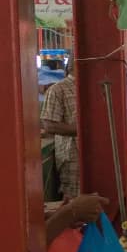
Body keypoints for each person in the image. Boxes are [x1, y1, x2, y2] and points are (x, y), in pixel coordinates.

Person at [41, 65, 79, 199]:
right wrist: (82, 130)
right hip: (72, 157)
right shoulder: (58, 90)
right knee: (74, 200)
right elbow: (49, 125)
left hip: (95, 156)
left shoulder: (92, 87)